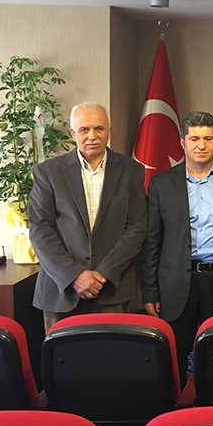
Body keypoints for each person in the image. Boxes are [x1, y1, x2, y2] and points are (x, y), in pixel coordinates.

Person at [141, 111, 213, 384]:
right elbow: (153, 241)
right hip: (177, 283)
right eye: (194, 139)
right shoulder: (161, 184)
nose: (202, 145)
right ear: (182, 142)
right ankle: (174, 406)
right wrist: (150, 290)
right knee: (173, 356)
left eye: (208, 138)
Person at [28, 103, 146, 330]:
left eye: (99, 128)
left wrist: (102, 274)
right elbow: (40, 229)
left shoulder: (131, 171)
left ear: (109, 131)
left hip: (111, 289)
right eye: (84, 129)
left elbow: (137, 227)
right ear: (73, 133)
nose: (92, 136)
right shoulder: (48, 172)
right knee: (61, 353)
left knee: (113, 351)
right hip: (60, 290)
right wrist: (75, 275)